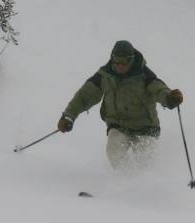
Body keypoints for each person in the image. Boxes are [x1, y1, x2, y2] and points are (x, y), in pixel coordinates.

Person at [57, 40, 184, 169]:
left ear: (132, 60)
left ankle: (147, 184)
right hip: (119, 126)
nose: (120, 65)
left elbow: (159, 90)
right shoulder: (105, 76)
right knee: (114, 152)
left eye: (124, 62)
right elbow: (84, 96)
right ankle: (126, 182)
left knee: (145, 159)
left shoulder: (144, 75)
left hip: (146, 128)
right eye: (116, 61)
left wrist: (169, 98)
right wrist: (68, 116)